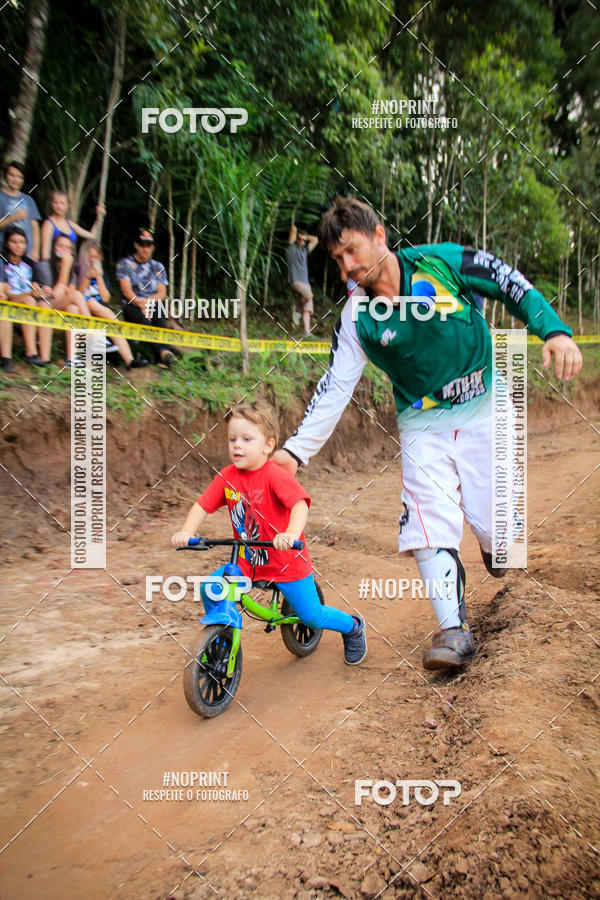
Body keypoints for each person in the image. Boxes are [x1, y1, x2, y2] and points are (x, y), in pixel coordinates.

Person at [271, 196, 583, 671]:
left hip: (484, 407)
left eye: (352, 251)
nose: (347, 267)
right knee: (426, 522)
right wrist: (295, 452)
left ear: (379, 235)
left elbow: (509, 284)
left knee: (503, 542)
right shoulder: (357, 316)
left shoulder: (444, 261)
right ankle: (453, 631)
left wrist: (554, 331)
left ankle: (495, 545)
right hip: (422, 424)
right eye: (337, 259)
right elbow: (335, 386)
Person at [171, 399, 367, 665]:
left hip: (286, 562)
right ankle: (220, 639)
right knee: (210, 588)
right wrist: (187, 530)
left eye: (246, 439)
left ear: (267, 446)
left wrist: (291, 534)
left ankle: (352, 626)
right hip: (247, 562)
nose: (237, 445)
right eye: (232, 439)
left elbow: (299, 505)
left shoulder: (274, 476)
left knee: (311, 616)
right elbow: (202, 505)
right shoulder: (227, 477)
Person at [77, 240, 147, 369]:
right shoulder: (78, 271)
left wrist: (99, 277)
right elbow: (78, 294)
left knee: (111, 320)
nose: (94, 260)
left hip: (100, 308)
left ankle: (129, 360)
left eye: (97, 257)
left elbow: (106, 298)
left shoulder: (103, 275)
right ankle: (101, 343)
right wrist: (87, 277)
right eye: (91, 256)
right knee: (92, 303)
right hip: (82, 306)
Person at [116, 228, 176, 368]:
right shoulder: (124, 264)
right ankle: (163, 352)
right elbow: (126, 290)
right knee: (135, 310)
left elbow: (162, 293)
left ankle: (163, 354)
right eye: (142, 245)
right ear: (136, 245)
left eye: (148, 245)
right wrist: (140, 304)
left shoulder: (158, 266)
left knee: (159, 309)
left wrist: (147, 303)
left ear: (152, 247)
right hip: (132, 303)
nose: (145, 249)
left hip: (151, 303)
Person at [1, 225, 51, 368]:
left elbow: (36, 285)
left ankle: (43, 357)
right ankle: (31, 353)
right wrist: (29, 293)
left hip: (29, 302)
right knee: (28, 300)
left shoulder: (30, 264)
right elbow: (7, 293)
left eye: (22, 242)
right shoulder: (3, 263)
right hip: (10, 300)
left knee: (42, 303)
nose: (18, 246)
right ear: (7, 243)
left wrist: (40, 290)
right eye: (14, 242)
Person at [40, 190, 105, 260]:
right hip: (54, 261)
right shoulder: (48, 223)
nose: (59, 206)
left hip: (69, 261)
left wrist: (99, 217)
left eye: (62, 203)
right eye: (55, 202)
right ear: (52, 204)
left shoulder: (70, 223)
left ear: (68, 205)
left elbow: (92, 235)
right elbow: (45, 252)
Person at [0, 161, 41, 259]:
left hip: (27, 254)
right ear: (5, 176)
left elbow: (35, 228)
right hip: (5, 253)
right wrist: (13, 218)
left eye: (20, 177)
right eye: (12, 175)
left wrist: (35, 251)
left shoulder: (28, 199)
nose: (16, 180)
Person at [286, 222, 318, 335]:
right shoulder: (291, 249)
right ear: (296, 239)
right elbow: (293, 230)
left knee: (307, 308)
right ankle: (297, 310)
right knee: (309, 296)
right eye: (300, 240)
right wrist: (295, 228)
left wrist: (306, 236)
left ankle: (307, 331)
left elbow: (316, 240)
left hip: (306, 282)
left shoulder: (304, 251)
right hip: (296, 281)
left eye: (303, 241)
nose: (302, 242)